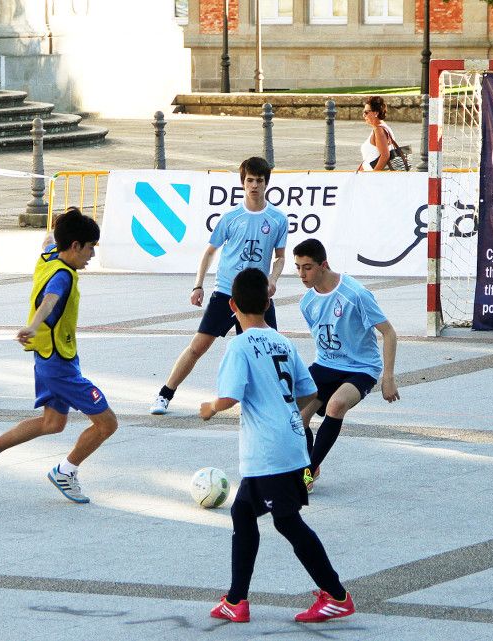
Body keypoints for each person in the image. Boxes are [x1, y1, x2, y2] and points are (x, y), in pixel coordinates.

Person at [200, 268, 355, 625]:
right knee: (242, 514)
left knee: (287, 521)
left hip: (270, 451)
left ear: (232, 305)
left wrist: (208, 408)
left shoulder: (238, 345)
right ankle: (236, 600)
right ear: (268, 302)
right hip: (287, 445)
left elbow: (228, 397)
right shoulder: (283, 342)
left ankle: (336, 595)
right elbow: (309, 391)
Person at [0, 208, 118, 504]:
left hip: (49, 357)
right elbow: (49, 301)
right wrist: (33, 326)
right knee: (107, 423)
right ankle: (66, 471)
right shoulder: (63, 276)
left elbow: (48, 237)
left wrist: (65, 220)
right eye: (89, 248)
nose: (91, 256)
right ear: (74, 246)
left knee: (52, 423)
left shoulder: (48, 256)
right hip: (59, 366)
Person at [149, 156, 287, 415]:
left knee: (269, 349)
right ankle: (165, 394)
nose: (254, 186)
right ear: (242, 183)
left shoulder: (278, 219)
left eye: (259, 180)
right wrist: (198, 285)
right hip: (227, 291)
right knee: (198, 346)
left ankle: (276, 401)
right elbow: (210, 252)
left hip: (257, 294)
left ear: (267, 183)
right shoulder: (231, 217)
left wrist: (273, 279)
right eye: (249, 181)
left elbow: (280, 257)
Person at [293, 239, 399, 492]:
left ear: (323, 265)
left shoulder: (355, 294)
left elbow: (389, 332)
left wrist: (388, 377)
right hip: (326, 365)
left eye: (307, 267)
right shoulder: (307, 302)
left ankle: (306, 476)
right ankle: (308, 465)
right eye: (297, 267)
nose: (301, 274)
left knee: (336, 404)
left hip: (361, 367)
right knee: (296, 418)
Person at [357, 96, 399, 172]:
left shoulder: (379, 130)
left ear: (376, 113)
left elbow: (385, 156)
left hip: (373, 178)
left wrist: (374, 176)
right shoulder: (381, 127)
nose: (364, 115)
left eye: (366, 112)